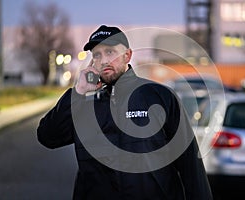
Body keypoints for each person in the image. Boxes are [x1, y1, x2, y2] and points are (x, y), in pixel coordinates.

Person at [37, 25, 213, 200]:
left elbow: (190, 165)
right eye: (97, 55)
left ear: (127, 55)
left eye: (110, 52)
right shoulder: (84, 105)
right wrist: (78, 91)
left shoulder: (160, 97)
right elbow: (47, 136)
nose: (103, 60)